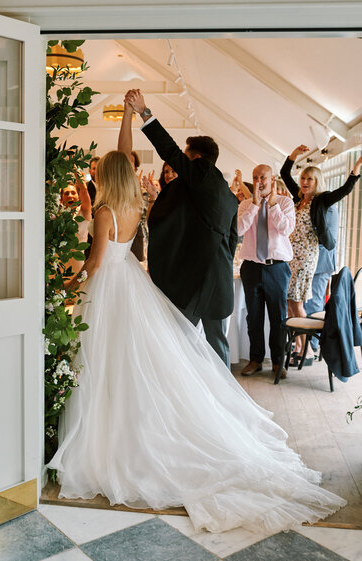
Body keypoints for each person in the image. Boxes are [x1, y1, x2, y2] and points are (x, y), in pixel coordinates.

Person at [47, 149, 346, 535]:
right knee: (131, 360)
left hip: (108, 288)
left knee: (104, 359)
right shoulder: (134, 208)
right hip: (131, 286)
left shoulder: (104, 213)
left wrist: (66, 287)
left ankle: (109, 435)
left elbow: (96, 262)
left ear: (106, 176)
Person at [120, 89, 238, 368]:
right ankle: (221, 399)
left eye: (186, 158)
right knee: (217, 343)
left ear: (195, 158)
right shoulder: (226, 194)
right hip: (218, 282)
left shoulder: (202, 173)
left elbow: (170, 150)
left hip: (195, 282)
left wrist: (144, 112)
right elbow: (230, 240)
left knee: (179, 340)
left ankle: (189, 397)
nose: (180, 164)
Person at [280, 145, 362, 364]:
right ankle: (299, 347)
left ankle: (306, 350)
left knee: (297, 303)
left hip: (307, 257)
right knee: (290, 301)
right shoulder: (298, 200)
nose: (305, 182)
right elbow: (284, 174)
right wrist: (293, 155)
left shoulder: (321, 200)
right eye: (304, 178)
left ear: (317, 183)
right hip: (291, 257)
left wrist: (356, 167)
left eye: (311, 179)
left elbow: (344, 190)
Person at [238, 164, 295, 379]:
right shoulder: (245, 204)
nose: (259, 181)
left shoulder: (285, 203)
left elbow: (286, 229)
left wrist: (272, 206)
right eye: (255, 177)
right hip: (251, 267)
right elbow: (239, 229)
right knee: (253, 316)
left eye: (263, 177)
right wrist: (254, 204)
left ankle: (279, 362)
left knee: (278, 317)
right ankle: (256, 359)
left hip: (277, 268)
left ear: (272, 180)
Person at [304, 205, 338, 356]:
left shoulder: (328, 208)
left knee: (314, 303)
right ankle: (305, 342)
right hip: (311, 262)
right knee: (306, 303)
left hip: (322, 262)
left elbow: (324, 237)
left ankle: (312, 346)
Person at [60, 174, 91, 277]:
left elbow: (84, 190)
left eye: (73, 193)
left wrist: (75, 170)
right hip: (59, 263)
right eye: (66, 193)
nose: (70, 195)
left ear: (78, 196)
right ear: (61, 199)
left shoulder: (84, 212)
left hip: (78, 263)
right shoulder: (58, 216)